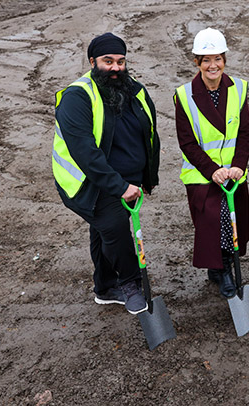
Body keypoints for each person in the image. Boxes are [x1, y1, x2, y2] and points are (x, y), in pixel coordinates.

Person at [52, 33, 160, 315]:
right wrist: (120, 186)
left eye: (121, 61)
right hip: (88, 182)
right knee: (113, 226)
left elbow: (149, 135)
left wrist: (146, 178)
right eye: (107, 61)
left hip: (128, 179)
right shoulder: (77, 96)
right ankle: (130, 284)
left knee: (103, 231)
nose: (115, 68)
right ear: (92, 62)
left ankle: (104, 287)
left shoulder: (134, 90)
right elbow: (84, 151)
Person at [174, 28, 249, 298]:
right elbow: (187, 142)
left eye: (217, 59)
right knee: (215, 218)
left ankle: (224, 262)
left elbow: (244, 134)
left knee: (234, 221)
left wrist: (239, 166)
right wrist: (212, 171)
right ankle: (221, 271)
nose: (212, 66)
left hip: (233, 172)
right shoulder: (184, 95)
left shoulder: (239, 89)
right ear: (197, 62)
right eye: (206, 60)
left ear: (225, 60)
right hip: (202, 174)